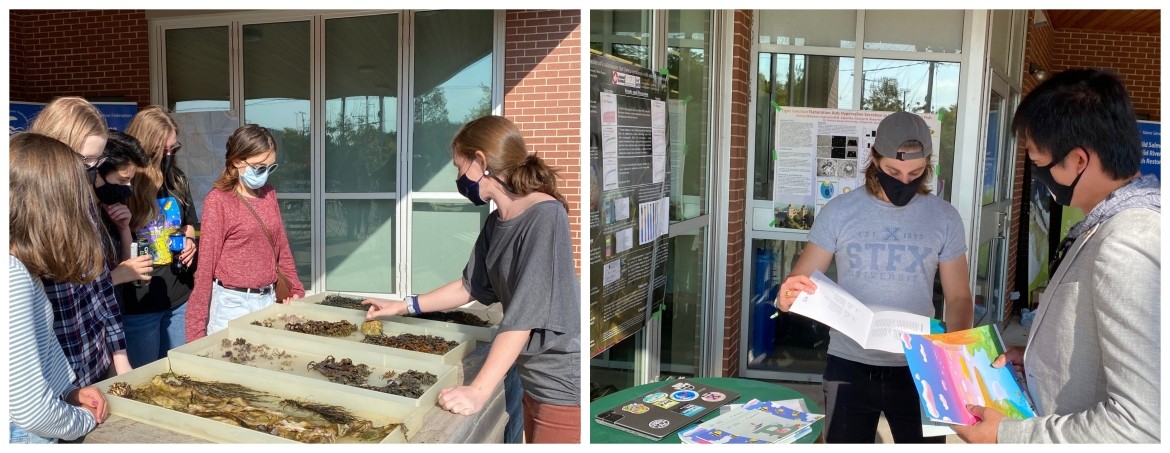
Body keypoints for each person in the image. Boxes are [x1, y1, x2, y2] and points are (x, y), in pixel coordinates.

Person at [953, 68, 1160, 443]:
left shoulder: (1127, 243)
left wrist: (1007, 436)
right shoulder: (1112, 222)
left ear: (1078, 161)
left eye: (1037, 159)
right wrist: (1038, 358)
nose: (1035, 173)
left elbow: (1142, 425)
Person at [362, 115, 581, 443]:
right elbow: (468, 287)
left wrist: (478, 391)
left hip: (560, 387)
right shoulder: (498, 221)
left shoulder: (545, 216)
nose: (458, 177)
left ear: (480, 161)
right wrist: (401, 306)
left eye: (458, 166)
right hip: (534, 381)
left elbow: (523, 318)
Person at [774, 111, 973, 443]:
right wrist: (787, 295)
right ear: (874, 158)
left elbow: (959, 298)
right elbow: (800, 281)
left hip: (921, 366)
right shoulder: (840, 211)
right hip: (848, 364)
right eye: (893, 171)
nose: (905, 181)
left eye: (916, 172)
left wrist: (955, 357)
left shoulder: (945, 218)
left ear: (928, 165)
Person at [9, 133, 110, 443]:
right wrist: (84, 422)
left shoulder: (21, 264)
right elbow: (31, 411)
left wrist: (68, 392)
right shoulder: (12, 276)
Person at [27, 96, 133, 387]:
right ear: (54, 148)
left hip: (95, 365)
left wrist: (119, 357)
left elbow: (101, 290)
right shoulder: (25, 212)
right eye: (84, 159)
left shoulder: (85, 200)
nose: (90, 169)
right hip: (57, 381)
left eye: (95, 161)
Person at [186, 124, 304, 341]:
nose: (265, 175)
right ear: (238, 160)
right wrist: (195, 333)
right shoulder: (218, 201)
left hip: (268, 301)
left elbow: (281, 248)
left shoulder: (269, 194)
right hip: (231, 306)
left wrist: (296, 290)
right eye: (259, 167)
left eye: (270, 168)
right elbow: (205, 268)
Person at [122, 107, 199, 367]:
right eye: (161, 151)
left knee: (180, 373)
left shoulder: (177, 179)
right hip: (140, 301)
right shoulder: (125, 184)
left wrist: (189, 242)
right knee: (143, 380)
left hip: (178, 296)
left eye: (173, 150)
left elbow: (189, 224)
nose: (167, 156)